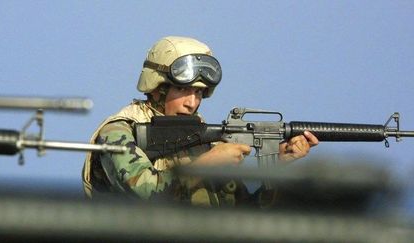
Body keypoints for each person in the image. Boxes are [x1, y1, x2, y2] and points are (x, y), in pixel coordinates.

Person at [82, 36, 319, 206]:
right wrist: (206, 165)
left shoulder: (204, 141)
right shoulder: (120, 132)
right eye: (183, 90)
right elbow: (147, 193)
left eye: (199, 93)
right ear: (157, 88)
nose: (192, 103)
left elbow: (246, 215)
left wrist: (276, 166)